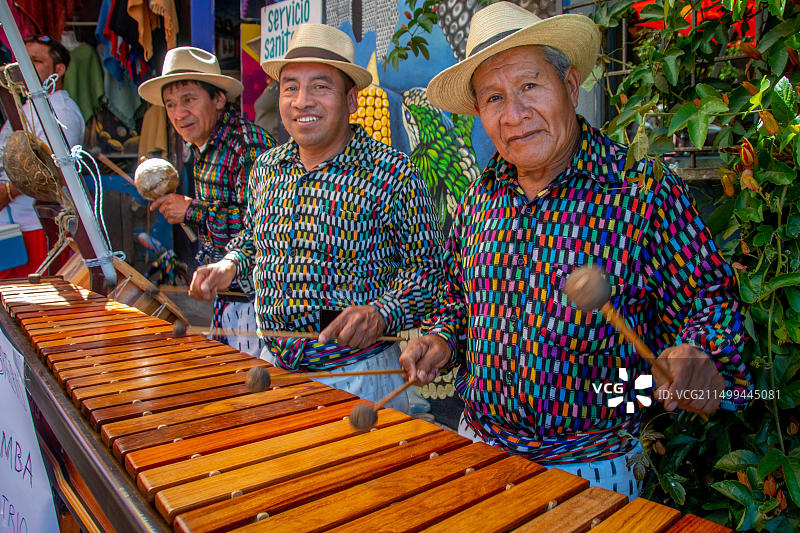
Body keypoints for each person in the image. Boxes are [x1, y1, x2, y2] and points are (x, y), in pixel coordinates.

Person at [399, 2, 752, 497]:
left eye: (529, 86)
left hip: (595, 467)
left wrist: (698, 352)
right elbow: (460, 300)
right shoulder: (481, 197)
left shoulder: (641, 190)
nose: (515, 116)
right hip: (479, 446)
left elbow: (711, 303)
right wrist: (440, 339)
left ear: (569, 83)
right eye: (494, 98)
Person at [189, 24, 445, 412]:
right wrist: (229, 265)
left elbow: (430, 271)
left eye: (321, 87)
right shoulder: (267, 168)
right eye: (290, 87)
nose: (302, 101)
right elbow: (254, 240)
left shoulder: (392, 173)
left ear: (352, 100)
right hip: (274, 366)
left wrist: (382, 312)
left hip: (359, 378)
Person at [138, 47, 276, 356]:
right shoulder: (203, 148)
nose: (178, 113)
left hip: (257, 303)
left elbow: (264, 226)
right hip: (227, 297)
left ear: (218, 99)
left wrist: (191, 210)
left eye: (188, 100)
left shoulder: (246, 144)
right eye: (171, 104)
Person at [0, 35, 84, 279]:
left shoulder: (61, 110)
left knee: (38, 306)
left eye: (35, 61)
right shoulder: (31, 105)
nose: (25, 68)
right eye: (23, 61)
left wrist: (7, 192)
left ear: (59, 69)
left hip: (38, 226)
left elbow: (51, 167)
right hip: (16, 227)